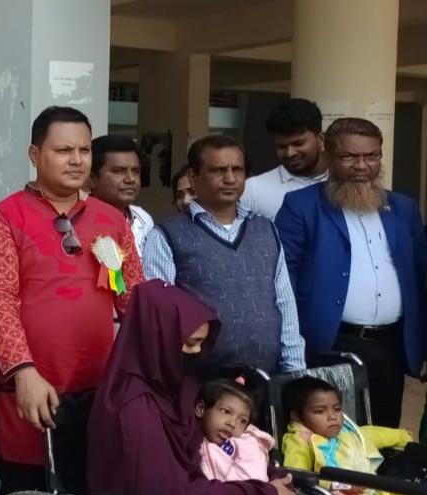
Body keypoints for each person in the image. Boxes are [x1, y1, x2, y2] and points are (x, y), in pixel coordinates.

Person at [87, 280, 345, 495]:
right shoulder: (134, 408)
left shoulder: (178, 386)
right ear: (157, 337)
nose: (196, 353)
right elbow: (173, 493)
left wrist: (270, 479)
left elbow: (222, 444)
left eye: (200, 344)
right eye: (189, 343)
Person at [0, 106, 143, 493]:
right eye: (64, 150)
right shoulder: (5, 218)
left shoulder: (111, 219)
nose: (77, 160)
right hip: (29, 387)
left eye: (84, 150)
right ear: (35, 155)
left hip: (99, 390)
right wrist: (23, 371)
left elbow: (133, 299)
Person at [276, 117, 426, 428]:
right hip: (331, 343)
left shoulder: (403, 208)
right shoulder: (301, 205)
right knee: (331, 433)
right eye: (349, 156)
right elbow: (283, 277)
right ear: (329, 157)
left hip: (391, 346)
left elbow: (420, 273)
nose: (361, 166)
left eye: (371, 156)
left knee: (385, 433)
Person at [143, 135, 306, 374]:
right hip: (201, 382)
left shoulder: (265, 229)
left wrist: (295, 371)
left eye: (237, 170)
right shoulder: (166, 235)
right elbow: (160, 316)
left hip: (266, 377)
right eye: (218, 170)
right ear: (193, 177)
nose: (230, 178)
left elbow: (284, 302)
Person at [280, 376, 426, 495]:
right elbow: (297, 476)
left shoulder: (347, 432)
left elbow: (372, 435)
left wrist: (403, 437)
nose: (332, 416)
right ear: (296, 416)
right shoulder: (300, 441)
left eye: (337, 409)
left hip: (379, 488)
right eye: (320, 411)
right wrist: (341, 485)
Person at [242, 98, 328, 222]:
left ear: (321, 139)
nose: (289, 153)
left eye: (298, 143)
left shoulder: (344, 184)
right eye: (281, 146)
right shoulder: (253, 190)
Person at [90, 134, 153, 256]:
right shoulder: (77, 221)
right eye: (119, 171)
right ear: (92, 179)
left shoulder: (143, 219)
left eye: (135, 171)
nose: (131, 179)